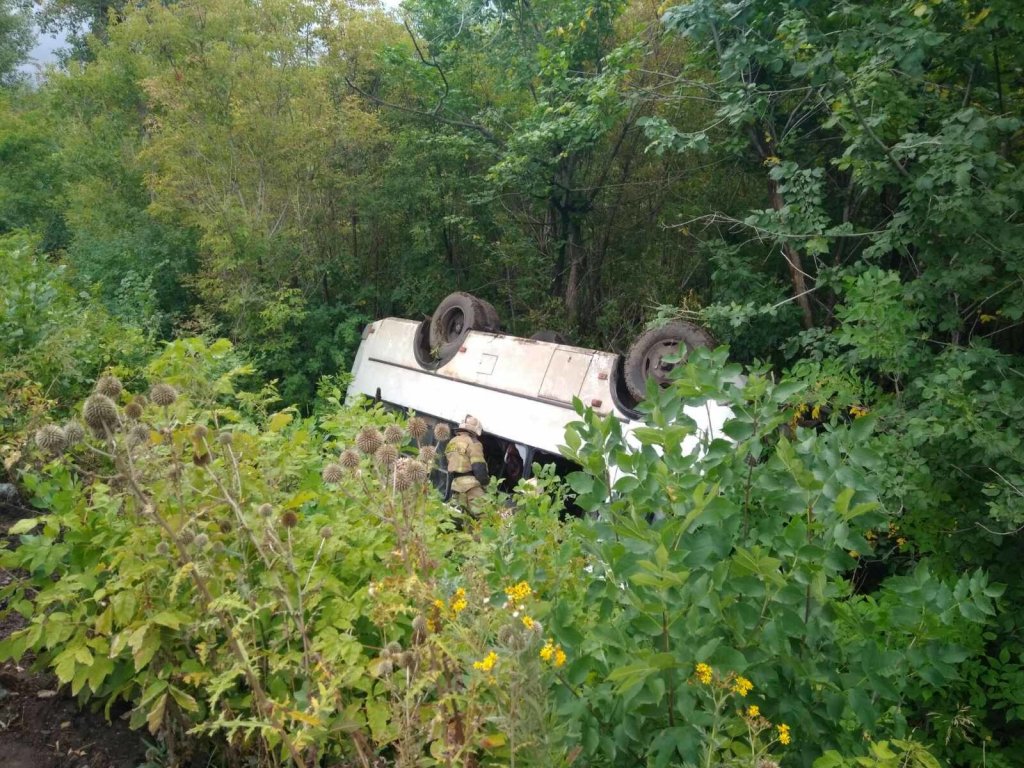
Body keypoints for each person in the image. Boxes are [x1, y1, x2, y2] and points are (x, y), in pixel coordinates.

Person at [445, 415, 489, 514]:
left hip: (456, 485)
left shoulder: (451, 442)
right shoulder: (474, 443)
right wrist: (486, 484)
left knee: (464, 517)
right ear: (475, 431)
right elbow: (479, 467)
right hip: (471, 486)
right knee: (484, 515)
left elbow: (449, 463)